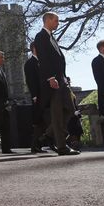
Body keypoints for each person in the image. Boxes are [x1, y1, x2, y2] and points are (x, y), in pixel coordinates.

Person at [33, 12, 79, 156]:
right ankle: (62, 146)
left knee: (71, 110)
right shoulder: (41, 36)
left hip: (61, 80)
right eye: (56, 21)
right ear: (47, 20)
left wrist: (63, 78)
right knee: (58, 114)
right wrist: (51, 78)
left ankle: (48, 135)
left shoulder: (51, 37)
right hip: (53, 82)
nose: (58, 23)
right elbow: (44, 59)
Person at [24, 42, 47, 153]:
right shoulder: (29, 63)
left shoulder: (42, 61)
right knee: (39, 121)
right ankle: (35, 145)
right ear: (34, 48)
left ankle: (38, 145)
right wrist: (34, 96)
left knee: (43, 121)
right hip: (38, 96)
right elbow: (30, 81)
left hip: (45, 95)